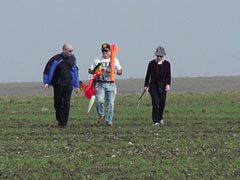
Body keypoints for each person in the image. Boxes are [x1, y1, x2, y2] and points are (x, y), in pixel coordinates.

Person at [43, 43, 80, 128]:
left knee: (66, 103)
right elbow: (48, 70)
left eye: (72, 50)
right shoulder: (56, 59)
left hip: (68, 84)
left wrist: (77, 85)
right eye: (69, 51)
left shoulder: (73, 58)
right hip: (58, 84)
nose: (71, 52)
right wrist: (46, 82)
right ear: (64, 50)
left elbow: (75, 71)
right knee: (57, 103)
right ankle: (60, 120)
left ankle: (64, 123)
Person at [88, 43, 122, 126]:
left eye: (106, 51)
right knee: (99, 101)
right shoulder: (97, 60)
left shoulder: (114, 60)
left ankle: (109, 121)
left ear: (110, 51)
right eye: (103, 51)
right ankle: (101, 115)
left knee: (110, 103)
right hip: (100, 83)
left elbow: (120, 71)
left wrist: (116, 71)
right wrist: (96, 71)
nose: (104, 52)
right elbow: (90, 70)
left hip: (111, 83)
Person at [144, 46, 171, 126]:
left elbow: (168, 75)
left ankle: (160, 118)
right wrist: (146, 85)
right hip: (153, 86)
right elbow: (148, 75)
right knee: (155, 102)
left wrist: (168, 84)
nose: (159, 57)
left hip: (163, 86)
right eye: (158, 56)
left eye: (161, 56)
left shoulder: (167, 64)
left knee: (162, 103)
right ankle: (155, 121)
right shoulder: (151, 64)